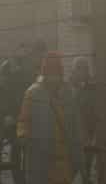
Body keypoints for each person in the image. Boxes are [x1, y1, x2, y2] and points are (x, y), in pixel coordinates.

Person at [17, 52, 87, 184]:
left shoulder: (69, 94)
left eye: (56, 74)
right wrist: (23, 135)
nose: (54, 78)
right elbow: (23, 119)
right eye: (51, 73)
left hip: (65, 159)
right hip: (41, 158)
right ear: (45, 73)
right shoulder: (32, 93)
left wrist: (79, 152)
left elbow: (76, 125)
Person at [69, 58, 98, 184]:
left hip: (89, 128)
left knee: (87, 160)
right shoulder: (68, 88)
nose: (82, 72)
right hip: (75, 130)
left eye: (84, 69)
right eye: (78, 69)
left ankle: (86, 179)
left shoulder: (92, 87)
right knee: (75, 163)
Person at [0, 58, 25, 184]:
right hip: (1, 126)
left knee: (16, 154)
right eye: (1, 75)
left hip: (13, 127)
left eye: (4, 76)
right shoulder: (0, 89)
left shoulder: (13, 89)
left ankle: (18, 180)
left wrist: (13, 116)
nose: (2, 79)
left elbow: (18, 106)